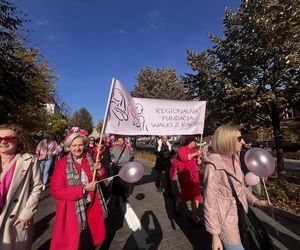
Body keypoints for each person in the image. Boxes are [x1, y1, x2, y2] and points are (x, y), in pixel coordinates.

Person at [203, 124, 272, 250]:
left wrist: (256, 202)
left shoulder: (234, 158)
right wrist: (215, 235)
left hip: (241, 215)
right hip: (226, 222)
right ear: (228, 141)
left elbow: (240, 187)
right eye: (239, 138)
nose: (243, 142)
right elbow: (209, 203)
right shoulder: (213, 167)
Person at [50, 127, 107, 250]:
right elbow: (56, 191)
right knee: (74, 241)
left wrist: (100, 168)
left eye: (80, 144)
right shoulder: (62, 163)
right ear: (69, 146)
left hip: (92, 205)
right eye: (74, 145)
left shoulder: (90, 158)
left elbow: (100, 176)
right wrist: (84, 189)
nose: (77, 148)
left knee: (90, 239)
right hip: (72, 209)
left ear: (84, 145)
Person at [0, 123, 43, 250]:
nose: (3, 142)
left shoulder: (29, 160)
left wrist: (27, 213)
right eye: (0, 139)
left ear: (18, 141)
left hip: (15, 215)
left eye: (8, 138)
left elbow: (37, 187)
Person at [170, 135, 202, 227]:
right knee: (185, 196)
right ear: (190, 142)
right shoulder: (182, 149)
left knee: (196, 196)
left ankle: (193, 217)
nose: (195, 143)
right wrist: (195, 154)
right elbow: (184, 158)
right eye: (194, 141)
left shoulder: (194, 150)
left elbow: (197, 162)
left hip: (194, 176)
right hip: (185, 177)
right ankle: (177, 204)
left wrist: (199, 160)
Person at [110, 135, 134, 206]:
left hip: (126, 166)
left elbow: (132, 154)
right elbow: (111, 156)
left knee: (125, 183)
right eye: (119, 141)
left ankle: (124, 197)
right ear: (117, 142)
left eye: (122, 140)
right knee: (117, 183)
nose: (120, 142)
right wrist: (113, 160)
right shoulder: (113, 148)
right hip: (118, 167)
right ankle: (117, 199)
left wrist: (129, 158)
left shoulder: (128, 147)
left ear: (124, 141)